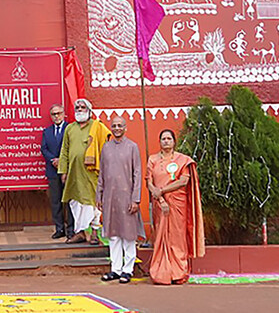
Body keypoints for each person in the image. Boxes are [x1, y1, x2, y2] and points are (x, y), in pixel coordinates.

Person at [147, 129, 205, 285]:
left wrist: (163, 190)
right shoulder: (152, 160)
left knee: (177, 237)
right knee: (161, 235)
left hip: (178, 204)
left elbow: (184, 181)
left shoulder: (182, 160)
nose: (166, 141)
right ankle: (161, 272)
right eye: (163, 139)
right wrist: (159, 197)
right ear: (159, 142)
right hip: (160, 205)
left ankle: (178, 272)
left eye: (169, 138)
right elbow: (149, 182)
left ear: (174, 142)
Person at [97, 116, 143, 284]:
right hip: (109, 197)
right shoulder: (106, 148)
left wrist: (135, 199)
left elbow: (137, 174)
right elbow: (101, 173)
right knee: (113, 235)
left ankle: (127, 270)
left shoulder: (132, 147)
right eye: (114, 125)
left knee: (128, 235)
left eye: (120, 125)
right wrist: (99, 195)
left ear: (125, 128)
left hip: (127, 197)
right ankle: (115, 269)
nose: (117, 128)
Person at [58, 98, 111, 244]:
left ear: (89, 110)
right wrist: (63, 171)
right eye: (77, 107)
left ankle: (94, 233)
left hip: (92, 172)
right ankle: (80, 232)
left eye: (83, 107)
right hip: (74, 173)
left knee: (92, 203)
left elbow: (106, 145)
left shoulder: (97, 127)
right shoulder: (70, 128)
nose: (80, 110)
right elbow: (65, 150)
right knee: (75, 203)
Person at [41, 104, 74, 240]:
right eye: (54, 114)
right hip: (53, 171)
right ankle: (59, 228)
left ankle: (71, 230)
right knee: (56, 201)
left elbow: (73, 147)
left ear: (63, 114)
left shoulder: (70, 129)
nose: (56, 116)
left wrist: (62, 161)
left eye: (59, 113)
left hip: (68, 170)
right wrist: (53, 160)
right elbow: (44, 148)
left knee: (70, 202)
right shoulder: (47, 131)